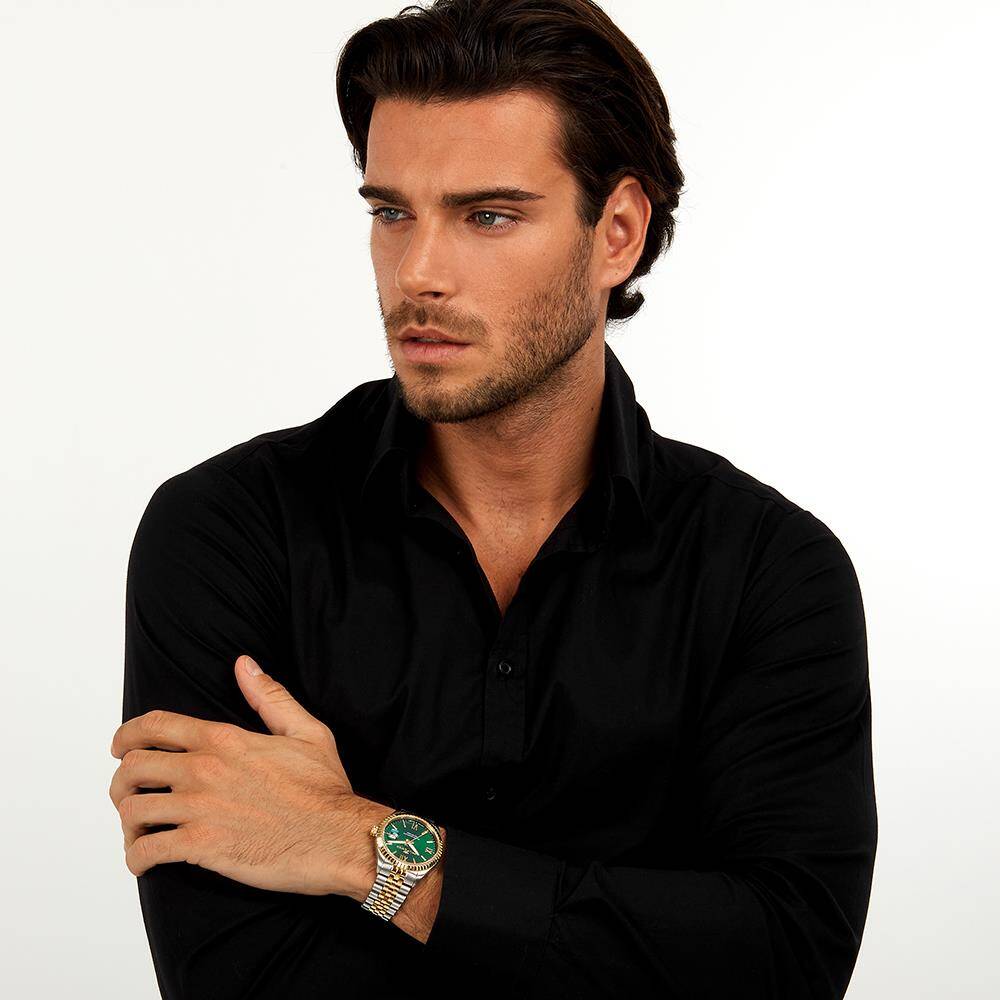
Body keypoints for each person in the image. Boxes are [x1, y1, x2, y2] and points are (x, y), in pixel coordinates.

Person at [110, 1, 877, 996]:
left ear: (617, 233)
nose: (418, 272)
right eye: (391, 212)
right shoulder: (227, 533)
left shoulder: (771, 572)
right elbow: (236, 979)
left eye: (488, 215)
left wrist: (360, 847)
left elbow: (784, 965)